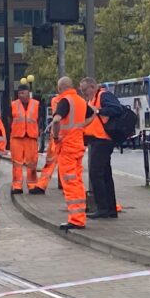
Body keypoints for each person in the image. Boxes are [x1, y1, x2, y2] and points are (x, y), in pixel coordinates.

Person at [51, 77, 95, 230]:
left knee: (69, 183)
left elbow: (56, 120)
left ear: (60, 88)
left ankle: (76, 219)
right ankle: (79, 217)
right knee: (77, 181)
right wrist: (82, 126)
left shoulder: (64, 101)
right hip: (77, 145)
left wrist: (56, 137)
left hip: (67, 147)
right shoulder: (80, 101)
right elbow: (93, 114)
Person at [80, 76, 123, 220]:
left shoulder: (103, 95)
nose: (84, 93)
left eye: (85, 90)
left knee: (95, 173)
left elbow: (116, 109)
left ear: (93, 86)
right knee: (105, 175)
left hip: (103, 140)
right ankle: (110, 209)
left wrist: (98, 111)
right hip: (98, 140)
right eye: (82, 91)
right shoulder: (94, 99)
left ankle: (103, 208)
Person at [9, 84, 40, 195]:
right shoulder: (13, 105)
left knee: (32, 163)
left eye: (23, 93)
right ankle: (17, 186)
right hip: (17, 137)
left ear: (28, 93)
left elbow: (39, 119)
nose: (20, 95)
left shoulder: (36, 104)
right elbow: (9, 119)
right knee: (17, 163)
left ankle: (32, 185)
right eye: (19, 93)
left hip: (31, 137)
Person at [31, 94, 60, 195]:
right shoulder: (79, 101)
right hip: (71, 139)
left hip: (58, 137)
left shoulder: (56, 100)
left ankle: (41, 186)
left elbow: (57, 119)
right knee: (71, 167)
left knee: (51, 162)